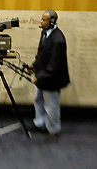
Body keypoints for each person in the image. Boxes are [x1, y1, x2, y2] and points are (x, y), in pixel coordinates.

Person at [27, 10, 70, 140]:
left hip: (52, 79)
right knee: (38, 100)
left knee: (51, 107)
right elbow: (42, 54)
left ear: (51, 21)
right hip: (43, 76)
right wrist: (34, 65)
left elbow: (54, 66)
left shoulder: (58, 40)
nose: (41, 21)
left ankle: (53, 130)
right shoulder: (45, 33)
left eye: (44, 19)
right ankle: (40, 123)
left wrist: (38, 77)